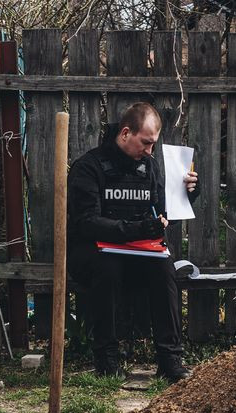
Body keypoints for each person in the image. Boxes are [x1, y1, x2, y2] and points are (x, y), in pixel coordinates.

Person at [67, 102, 198, 381]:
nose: (150, 151)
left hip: (139, 254)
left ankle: (170, 361)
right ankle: (107, 359)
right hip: (94, 255)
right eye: (146, 143)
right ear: (126, 133)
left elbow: (163, 216)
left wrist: (187, 196)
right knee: (108, 266)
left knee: (165, 268)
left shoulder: (148, 167)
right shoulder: (89, 167)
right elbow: (86, 223)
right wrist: (137, 229)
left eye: (154, 144)